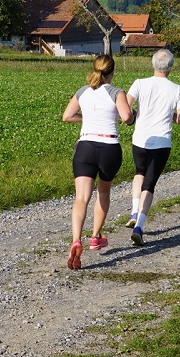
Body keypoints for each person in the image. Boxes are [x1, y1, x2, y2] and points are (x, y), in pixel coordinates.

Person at [62, 54, 134, 270]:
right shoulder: (117, 92)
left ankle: (76, 239)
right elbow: (126, 118)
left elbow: (67, 116)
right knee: (103, 192)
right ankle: (95, 237)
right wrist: (133, 115)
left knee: (81, 198)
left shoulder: (83, 91)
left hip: (85, 147)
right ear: (112, 72)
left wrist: (87, 119)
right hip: (109, 148)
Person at [126, 49, 180, 246]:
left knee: (139, 173)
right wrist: (169, 115)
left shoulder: (139, 83)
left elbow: (126, 107)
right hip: (161, 142)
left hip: (140, 139)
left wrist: (136, 115)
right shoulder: (176, 89)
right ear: (170, 67)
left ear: (153, 64)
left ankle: (134, 211)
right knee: (149, 184)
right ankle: (139, 227)